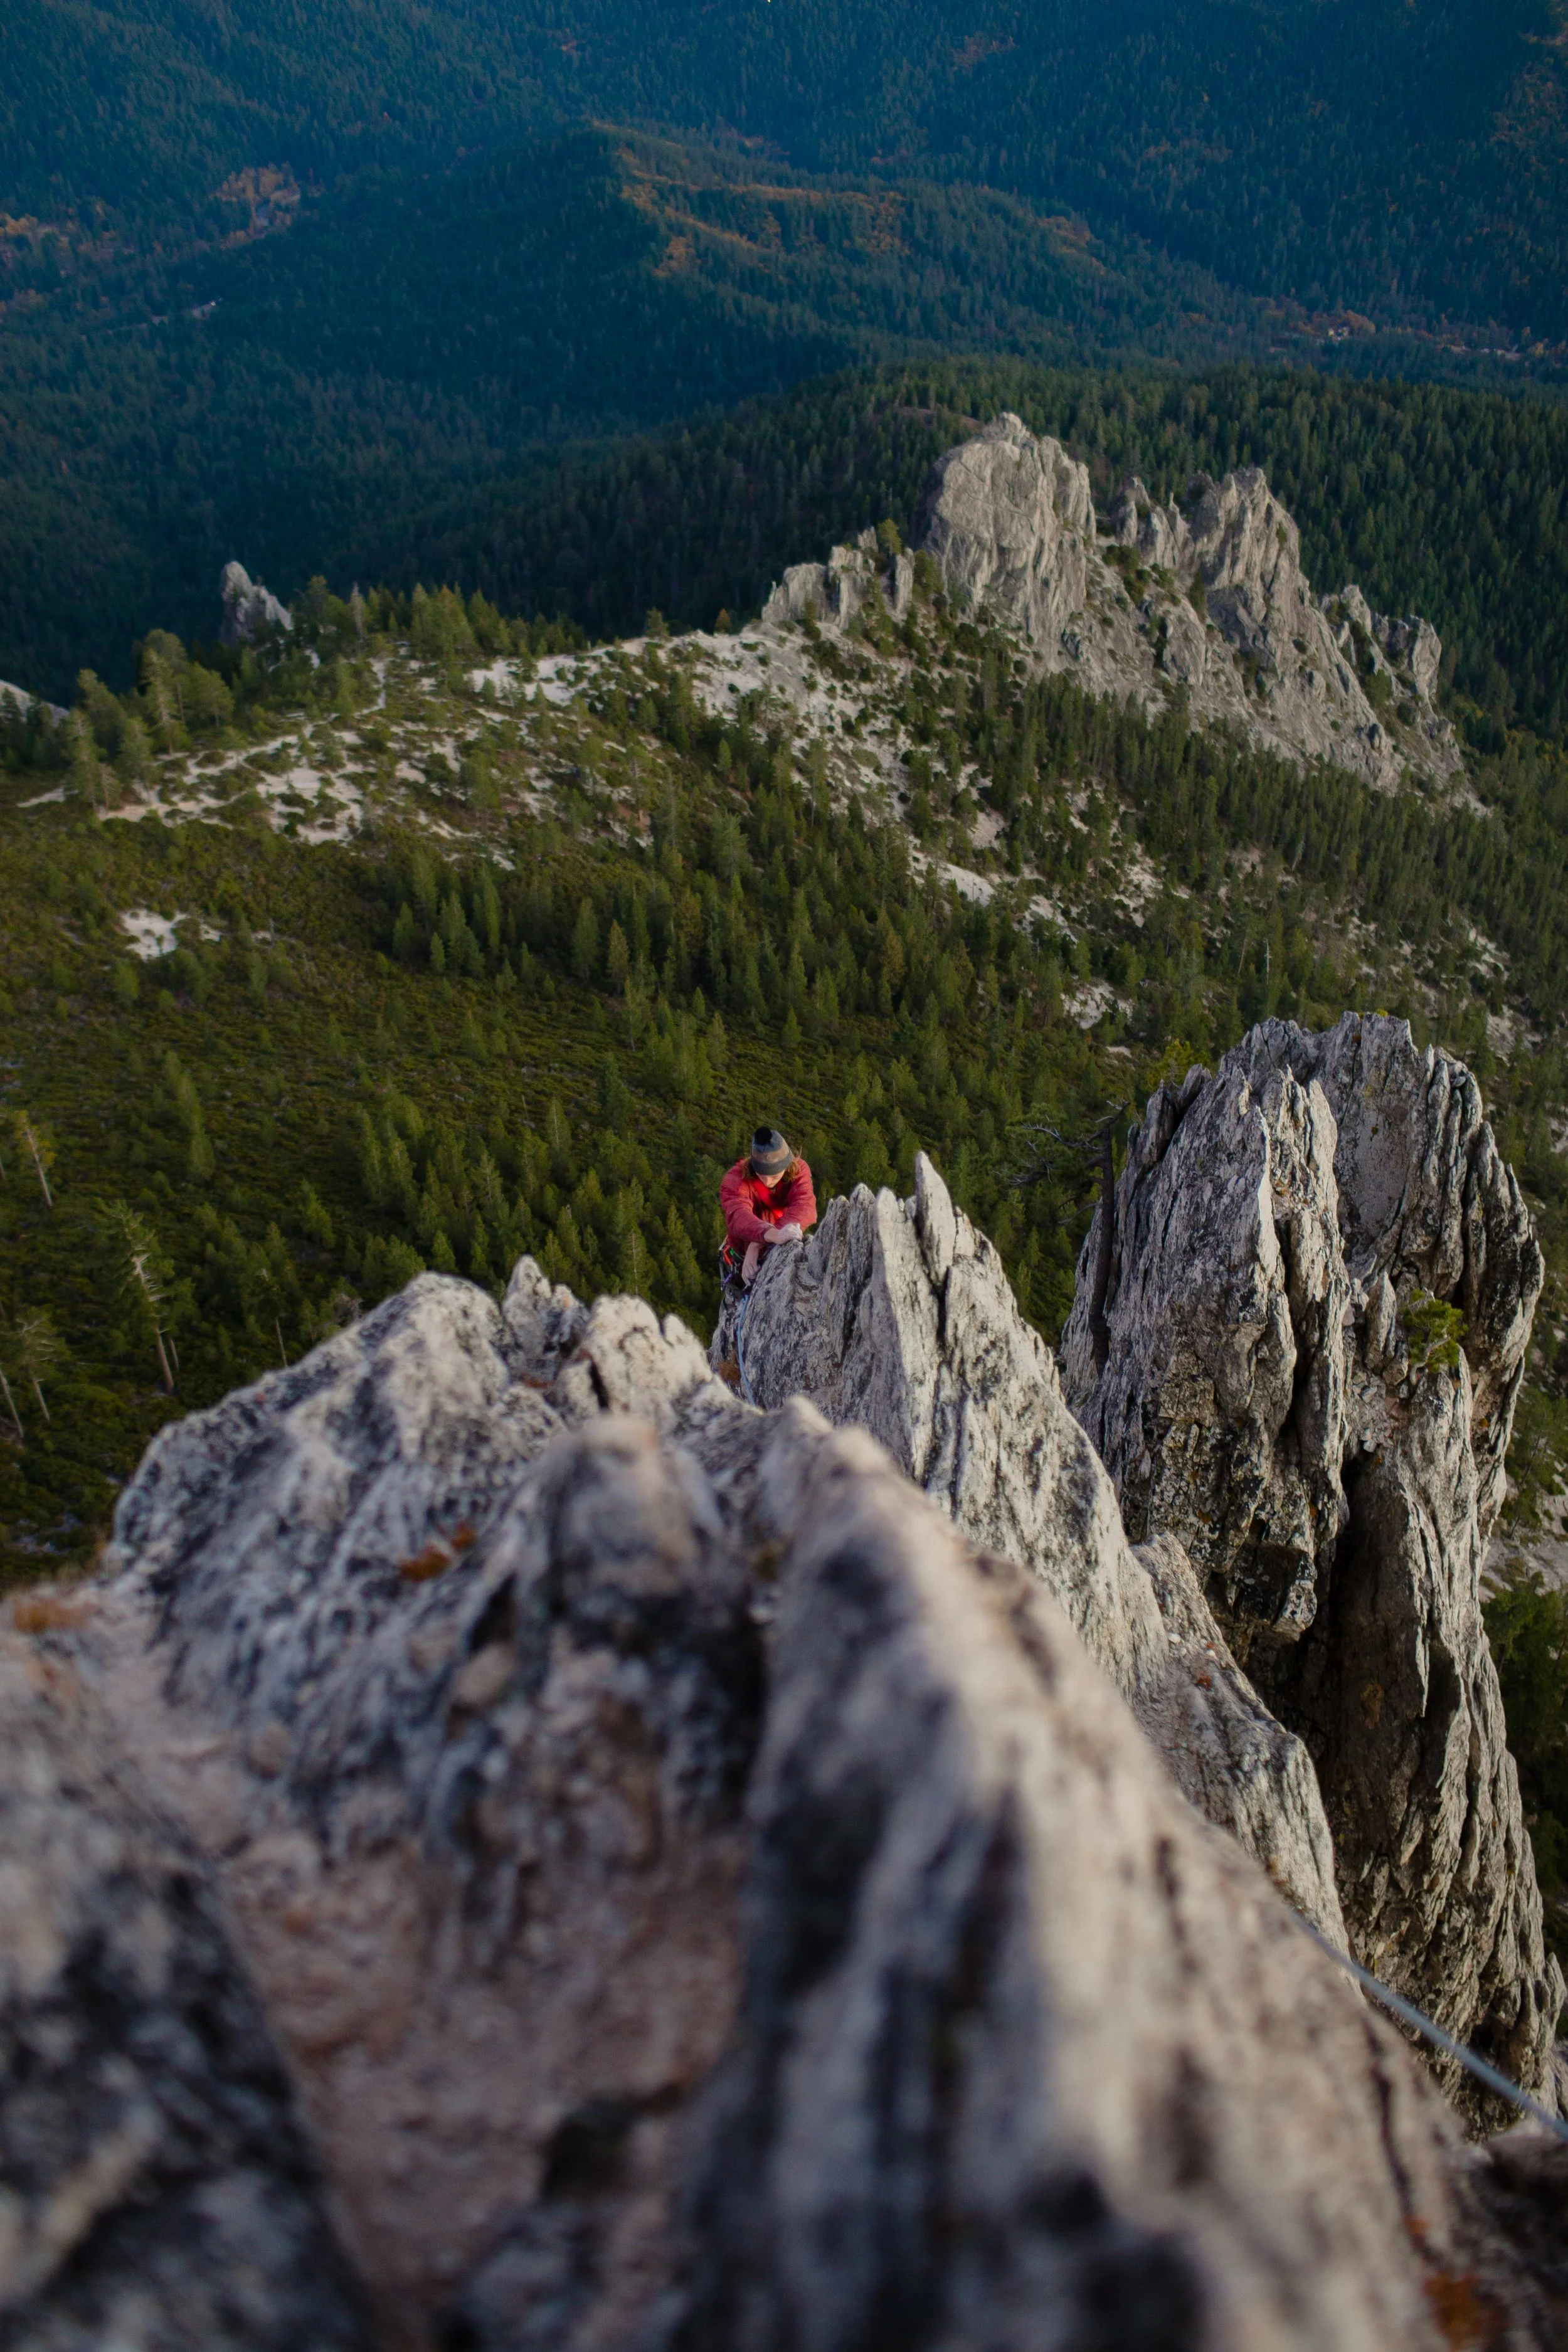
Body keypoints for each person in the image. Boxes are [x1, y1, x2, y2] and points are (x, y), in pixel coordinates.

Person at [713, 1127, 817, 1382]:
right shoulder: (734, 1181)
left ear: (788, 1164)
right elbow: (739, 1217)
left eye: (776, 1175)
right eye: (762, 1175)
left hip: (763, 1247)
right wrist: (765, 1237)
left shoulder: (799, 1170)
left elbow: (806, 1208)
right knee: (738, 1324)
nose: (769, 1181)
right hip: (740, 1263)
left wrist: (758, 1244)